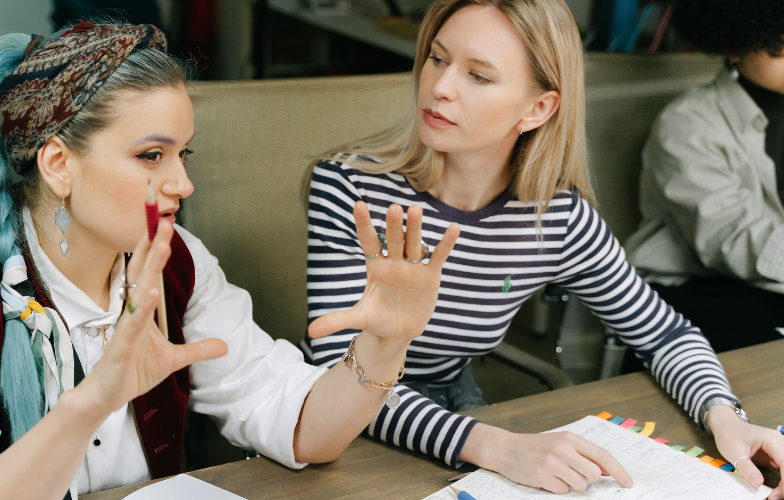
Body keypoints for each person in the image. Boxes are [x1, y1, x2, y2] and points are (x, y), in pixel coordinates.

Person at [0, 22, 462, 500]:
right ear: (59, 164)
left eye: (183, 154)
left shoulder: (179, 264)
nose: (183, 184)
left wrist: (385, 347)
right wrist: (93, 398)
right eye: (150, 156)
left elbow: (302, 429)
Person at [302, 0, 784, 497]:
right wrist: (495, 447)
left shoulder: (556, 216)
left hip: (460, 411)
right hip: (338, 421)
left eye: (479, 76)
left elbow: (664, 334)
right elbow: (337, 370)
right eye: (438, 59)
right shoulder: (351, 187)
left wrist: (725, 417)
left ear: (538, 108)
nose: (440, 87)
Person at [624, 0, 784, 353]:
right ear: (734, 47)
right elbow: (732, 240)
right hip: (693, 291)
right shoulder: (687, 125)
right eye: (779, 50)